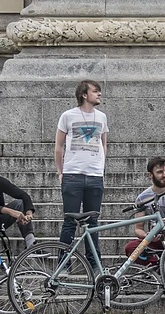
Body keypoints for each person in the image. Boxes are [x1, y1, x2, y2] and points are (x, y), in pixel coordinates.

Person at [55, 80, 109, 269]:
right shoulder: (68, 116)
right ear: (84, 94)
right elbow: (59, 146)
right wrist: (61, 172)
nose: (99, 94)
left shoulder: (102, 117)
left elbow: (103, 144)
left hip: (94, 176)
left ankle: (94, 264)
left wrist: (101, 169)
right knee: (70, 220)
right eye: (95, 91)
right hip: (73, 175)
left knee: (93, 221)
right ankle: (63, 264)